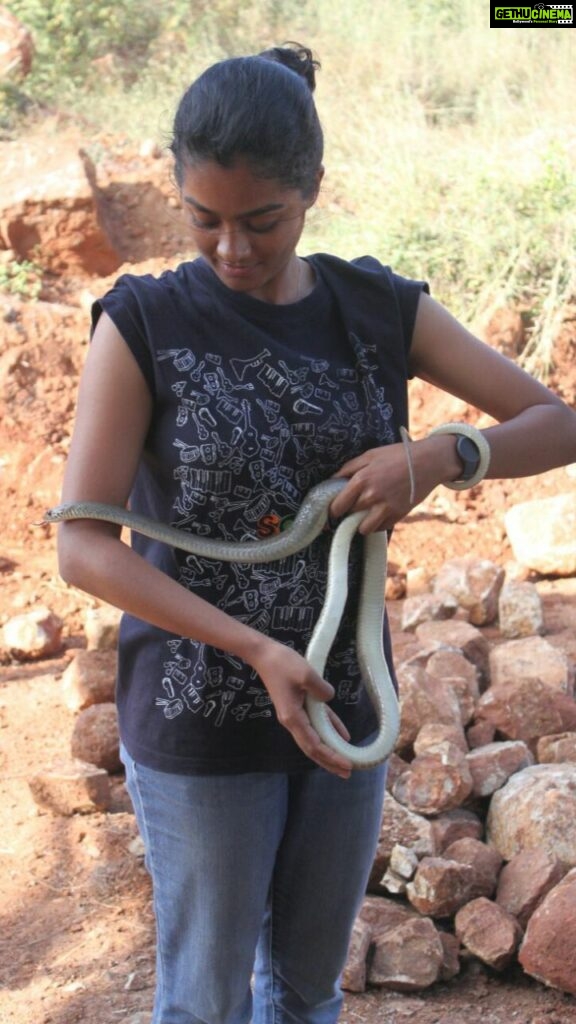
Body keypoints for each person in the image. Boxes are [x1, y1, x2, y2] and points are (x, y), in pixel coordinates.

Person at [56, 43, 576, 1024]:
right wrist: (255, 649)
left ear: (314, 191)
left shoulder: (375, 309)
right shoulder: (143, 324)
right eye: (203, 220)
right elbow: (82, 545)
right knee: (203, 1002)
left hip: (342, 708)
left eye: (264, 222)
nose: (233, 253)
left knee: (304, 992)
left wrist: (436, 458)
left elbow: (554, 419)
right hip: (200, 721)